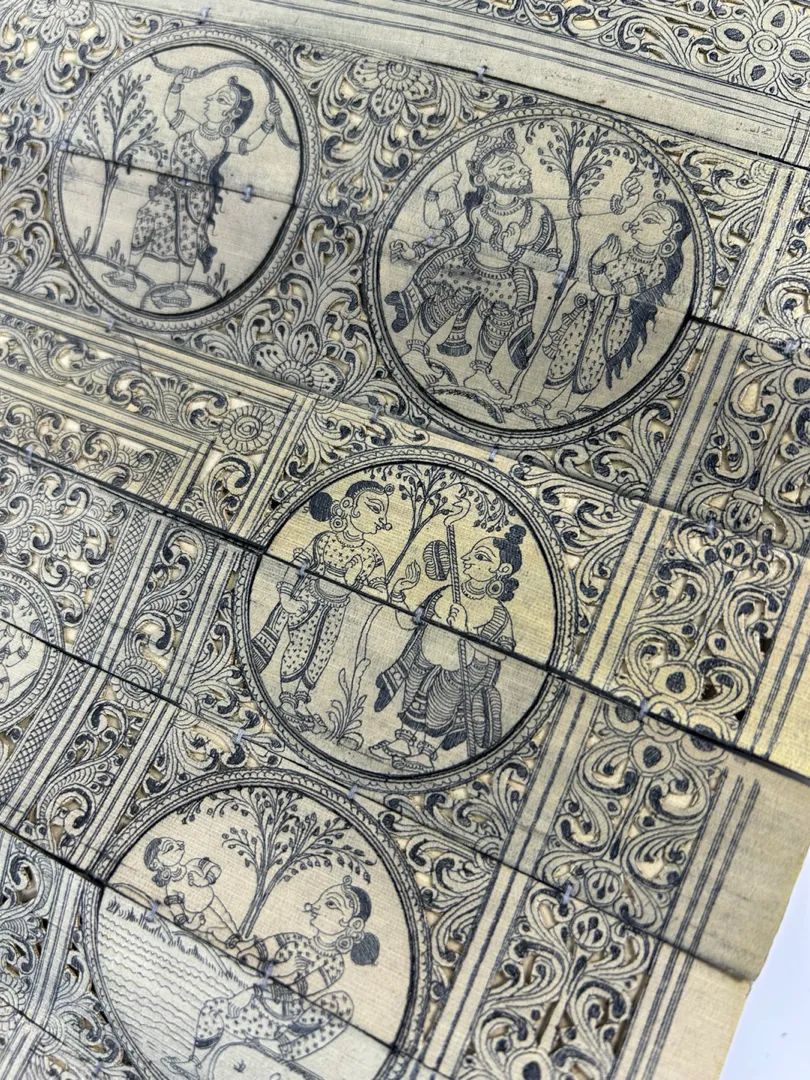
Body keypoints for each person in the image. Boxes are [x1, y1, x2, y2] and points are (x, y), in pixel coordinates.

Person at [164, 879, 380, 1079]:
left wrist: (263, 981)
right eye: (321, 900)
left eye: (330, 904)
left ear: (351, 924)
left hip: (284, 1025)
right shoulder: (292, 940)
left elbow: (299, 990)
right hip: (255, 1010)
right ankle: (194, 1063)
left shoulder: (333, 963)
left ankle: (282, 1047)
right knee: (213, 1009)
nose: (315, 906)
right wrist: (277, 970)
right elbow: (246, 956)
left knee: (341, 1002)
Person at [103, 70, 281, 309]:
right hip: (170, 190)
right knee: (146, 216)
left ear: (232, 113)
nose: (209, 99)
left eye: (221, 100)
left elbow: (248, 144)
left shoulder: (223, 141)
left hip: (195, 198)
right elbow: (171, 112)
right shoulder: (191, 128)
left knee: (187, 238)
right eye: (214, 95)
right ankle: (128, 273)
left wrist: (268, 122)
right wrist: (177, 84)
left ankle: (180, 290)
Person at [371, 525, 525, 770]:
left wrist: (466, 630)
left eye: (481, 557)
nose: (467, 559)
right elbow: (412, 623)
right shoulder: (444, 593)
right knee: (414, 698)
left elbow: (502, 653)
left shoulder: (498, 614)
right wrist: (399, 595)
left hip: (462, 674)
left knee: (441, 710)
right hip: (424, 660)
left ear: (502, 570)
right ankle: (404, 740)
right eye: (471, 553)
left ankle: (427, 752)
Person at [530, 199, 692, 420]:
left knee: (592, 362)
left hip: (617, 321)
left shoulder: (658, 267)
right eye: (639, 217)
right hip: (592, 311)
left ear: (671, 232)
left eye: (650, 220)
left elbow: (613, 289)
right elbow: (602, 285)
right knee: (568, 351)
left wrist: (598, 265)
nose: (636, 223)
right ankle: (541, 402)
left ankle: (568, 412)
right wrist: (599, 267)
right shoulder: (627, 254)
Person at [251, 481, 394, 731]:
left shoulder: (372, 556)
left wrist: (357, 583)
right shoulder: (325, 540)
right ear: (349, 506)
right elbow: (296, 566)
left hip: (336, 611)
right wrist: (286, 598)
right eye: (374, 508)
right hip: (307, 602)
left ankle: (300, 700)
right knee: (300, 648)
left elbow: (379, 594)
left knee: (321, 655)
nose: (381, 519)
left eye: (383, 513)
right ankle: (286, 698)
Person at [143, 836, 239, 949]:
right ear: (156, 864)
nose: (180, 843)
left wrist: (206, 880)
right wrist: (193, 924)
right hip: (199, 911)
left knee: (227, 917)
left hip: (212, 898)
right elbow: (179, 914)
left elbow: (215, 869)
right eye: (170, 847)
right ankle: (234, 944)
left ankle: (239, 939)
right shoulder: (171, 887)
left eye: (176, 841)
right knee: (218, 927)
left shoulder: (192, 864)